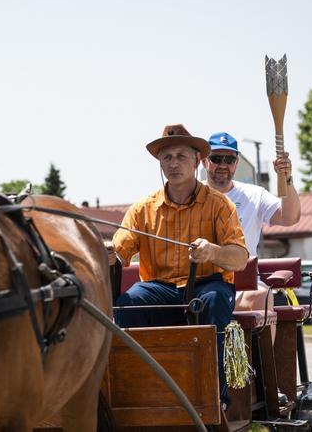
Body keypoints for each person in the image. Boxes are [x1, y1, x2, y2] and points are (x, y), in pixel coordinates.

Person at [109, 124, 248, 409]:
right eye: (167, 157)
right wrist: (107, 252)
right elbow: (118, 250)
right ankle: (136, 392)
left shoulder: (220, 205)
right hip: (160, 289)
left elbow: (240, 258)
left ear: (197, 161)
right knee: (127, 303)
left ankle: (214, 396)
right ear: (159, 163)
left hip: (206, 285)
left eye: (181, 156)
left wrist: (212, 251)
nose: (173, 163)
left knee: (213, 300)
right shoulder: (141, 209)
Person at [202, 132, 300, 312]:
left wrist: (286, 178)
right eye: (216, 158)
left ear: (236, 163)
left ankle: (258, 342)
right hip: (201, 282)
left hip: (243, 285)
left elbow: (289, 218)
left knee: (262, 296)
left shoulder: (254, 194)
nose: (223, 164)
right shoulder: (192, 194)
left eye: (229, 159)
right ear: (204, 161)